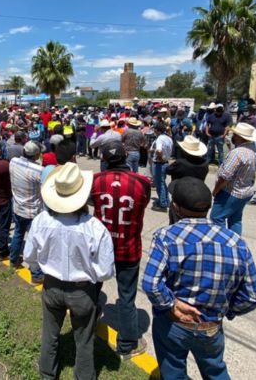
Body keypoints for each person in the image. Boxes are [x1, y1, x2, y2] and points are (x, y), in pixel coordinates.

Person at [142, 177, 256, 379]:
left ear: (175, 207)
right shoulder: (236, 242)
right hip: (211, 327)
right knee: (215, 372)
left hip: (173, 324)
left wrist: (171, 305)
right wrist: (227, 310)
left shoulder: (166, 236)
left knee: (172, 370)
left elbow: (151, 284)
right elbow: (254, 296)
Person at [24, 162, 115, 380]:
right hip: (82, 290)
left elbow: (29, 257)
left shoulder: (41, 221)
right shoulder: (95, 228)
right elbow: (105, 271)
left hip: (52, 286)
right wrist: (87, 272)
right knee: (84, 339)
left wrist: (43, 268)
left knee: (50, 334)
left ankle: (47, 374)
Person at [90, 141, 152, 360]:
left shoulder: (96, 180)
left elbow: (91, 202)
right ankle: (126, 344)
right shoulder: (142, 182)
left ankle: (87, 324)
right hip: (129, 246)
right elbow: (142, 206)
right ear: (127, 156)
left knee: (93, 288)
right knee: (126, 296)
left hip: (101, 246)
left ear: (105, 160)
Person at [210, 123, 256, 235]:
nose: (232, 136)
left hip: (231, 192)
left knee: (217, 218)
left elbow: (225, 176)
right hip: (245, 191)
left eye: (234, 134)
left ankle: (223, 243)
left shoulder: (237, 153)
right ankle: (236, 242)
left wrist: (215, 191)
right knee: (235, 219)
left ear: (240, 137)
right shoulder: (255, 151)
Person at [8, 141, 45, 281]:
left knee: (18, 232)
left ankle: (13, 260)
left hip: (17, 206)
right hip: (32, 211)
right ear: (36, 155)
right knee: (34, 242)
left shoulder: (13, 162)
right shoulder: (38, 170)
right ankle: (36, 274)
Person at [150, 122, 173, 212]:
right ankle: (165, 201)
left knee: (160, 184)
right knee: (162, 183)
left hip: (159, 163)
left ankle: (162, 204)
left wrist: (160, 158)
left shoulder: (160, 138)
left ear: (157, 130)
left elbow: (159, 150)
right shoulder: (168, 138)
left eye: (154, 129)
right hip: (165, 162)